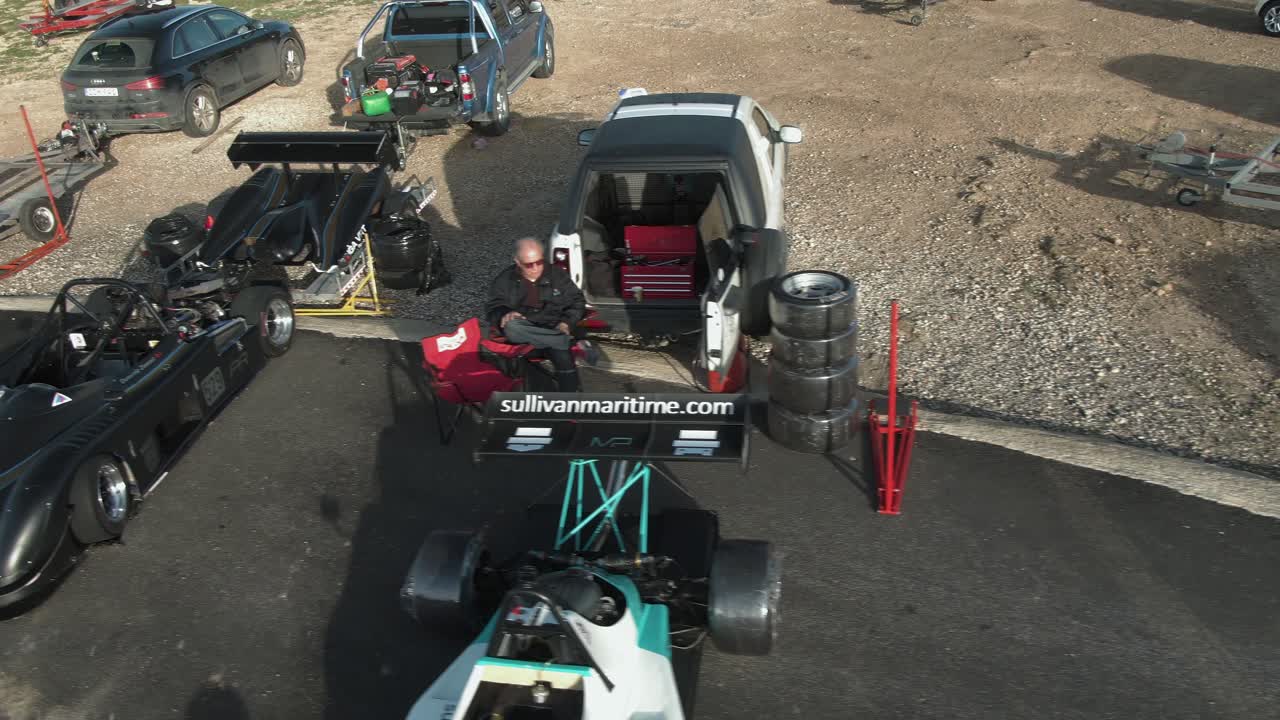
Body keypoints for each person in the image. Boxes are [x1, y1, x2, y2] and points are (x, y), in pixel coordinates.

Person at [485, 237, 598, 392]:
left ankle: (569, 401)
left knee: (562, 356)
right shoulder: (504, 280)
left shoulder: (557, 275)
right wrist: (504, 313)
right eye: (529, 264)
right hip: (525, 336)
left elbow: (577, 301)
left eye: (539, 262)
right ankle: (569, 342)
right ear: (517, 261)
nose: (535, 268)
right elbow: (493, 308)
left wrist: (566, 323)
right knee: (511, 326)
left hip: (553, 327)